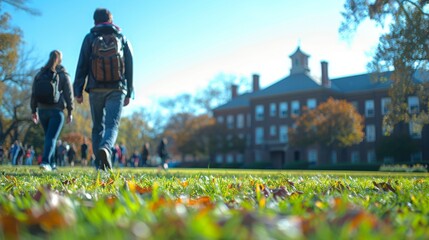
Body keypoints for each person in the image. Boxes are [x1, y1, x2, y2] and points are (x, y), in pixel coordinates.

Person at [74, 8, 133, 170]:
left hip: (95, 88)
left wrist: (77, 90)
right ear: (111, 20)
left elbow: (82, 64)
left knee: (97, 126)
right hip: (117, 88)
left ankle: (99, 163)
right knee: (111, 125)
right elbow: (129, 64)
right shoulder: (121, 37)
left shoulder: (90, 38)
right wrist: (130, 91)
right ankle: (106, 148)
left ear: (95, 21)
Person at [31, 50, 74, 171]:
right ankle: (45, 162)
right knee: (52, 138)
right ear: (60, 60)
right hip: (56, 112)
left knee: (49, 137)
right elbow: (69, 95)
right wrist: (70, 111)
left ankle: (52, 163)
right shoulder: (63, 74)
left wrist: (33, 110)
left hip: (42, 111)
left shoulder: (40, 74)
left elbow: (34, 93)